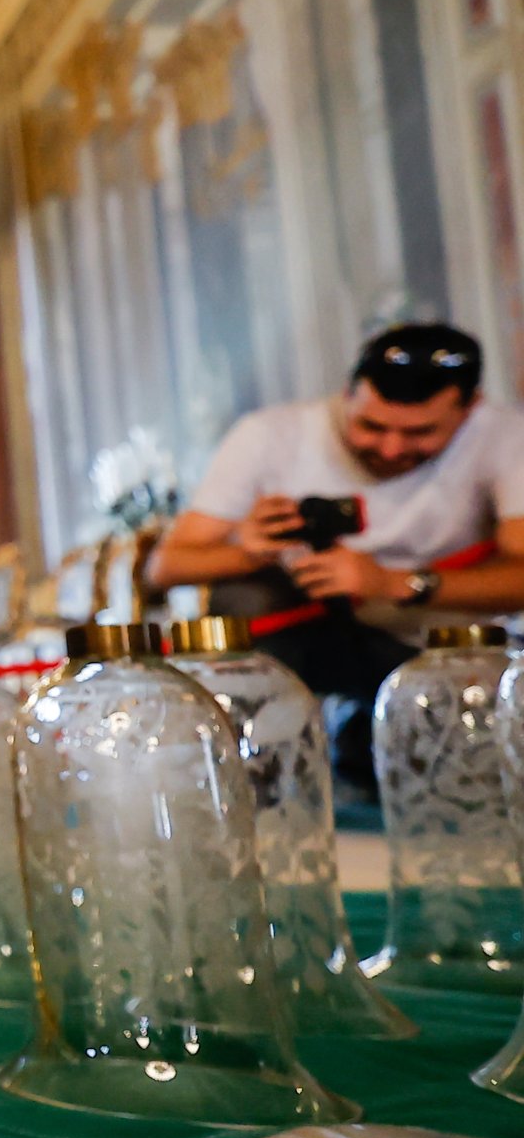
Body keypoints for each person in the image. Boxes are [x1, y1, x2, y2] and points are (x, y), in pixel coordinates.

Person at [144, 322, 524, 795]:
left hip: (440, 651)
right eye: (370, 425)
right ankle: (261, 770)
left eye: (420, 433)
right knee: (244, 594)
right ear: (347, 394)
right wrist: (246, 550)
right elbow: (164, 567)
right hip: (316, 636)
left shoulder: (506, 435)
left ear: (471, 408)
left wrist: (394, 583)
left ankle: (362, 732)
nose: (390, 448)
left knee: (457, 789)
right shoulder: (269, 435)